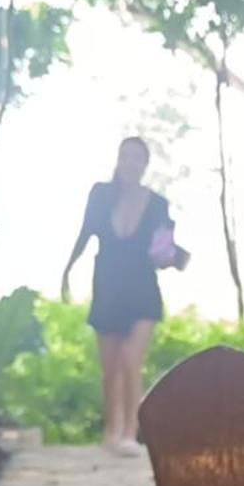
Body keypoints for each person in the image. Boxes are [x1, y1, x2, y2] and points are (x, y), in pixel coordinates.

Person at [62, 136, 185, 453]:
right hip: (107, 285)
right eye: (125, 156)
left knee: (131, 360)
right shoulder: (101, 194)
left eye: (137, 158)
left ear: (145, 166)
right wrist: (66, 271)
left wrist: (170, 256)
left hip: (142, 288)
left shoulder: (158, 204)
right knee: (110, 367)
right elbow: (85, 231)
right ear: (118, 160)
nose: (130, 163)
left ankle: (130, 432)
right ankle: (111, 430)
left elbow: (161, 252)